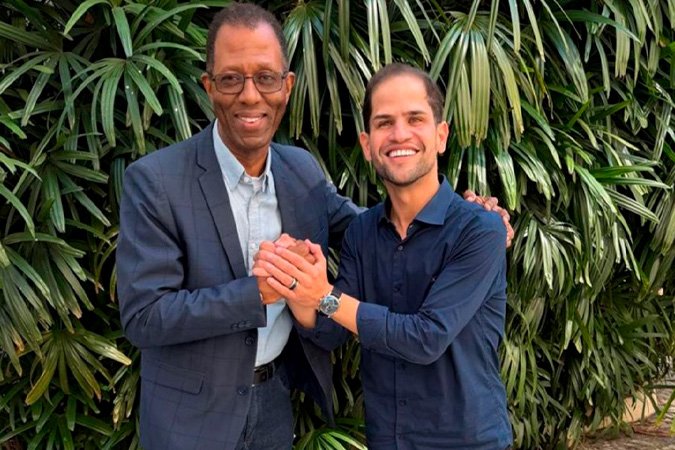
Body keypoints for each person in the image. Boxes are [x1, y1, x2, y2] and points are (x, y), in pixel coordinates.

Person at [117, 2, 512, 449]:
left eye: (266, 78)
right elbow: (144, 317)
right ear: (209, 86)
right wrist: (259, 292)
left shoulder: (300, 172)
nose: (250, 95)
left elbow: (378, 227)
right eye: (231, 79)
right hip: (191, 421)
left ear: (287, 87)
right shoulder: (156, 181)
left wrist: (469, 219)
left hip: (273, 403)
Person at [255, 63, 513, 450]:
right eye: (384, 123)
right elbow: (330, 330)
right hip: (388, 438)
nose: (400, 134)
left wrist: (322, 295)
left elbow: (426, 337)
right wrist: (295, 279)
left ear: (441, 135)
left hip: (467, 440)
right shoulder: (362, 232)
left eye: (415, 119)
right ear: (367, 144)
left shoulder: (480, 230)